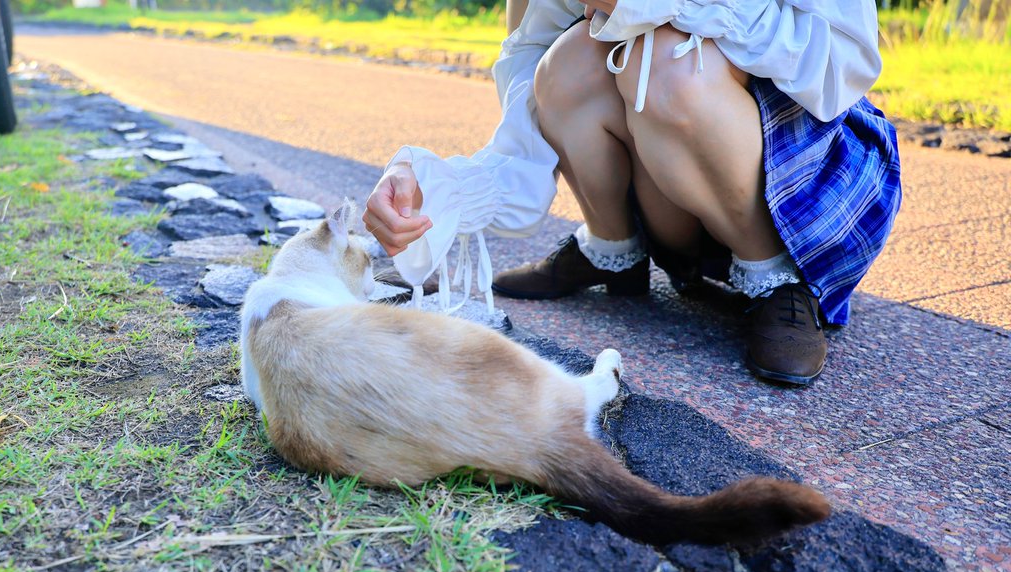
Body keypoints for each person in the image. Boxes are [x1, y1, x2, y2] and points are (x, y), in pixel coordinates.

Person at [363, 0, 902, 386]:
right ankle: (613, 247)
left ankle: (776, 275)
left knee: (664, 60)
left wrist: (656, 6)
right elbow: (529, 114)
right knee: (568, 63)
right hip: (666, 195)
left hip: (800, 180)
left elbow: (842, 65)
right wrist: (435, 191)